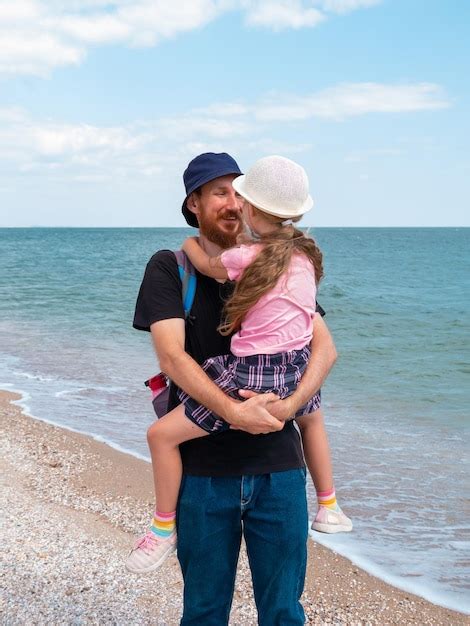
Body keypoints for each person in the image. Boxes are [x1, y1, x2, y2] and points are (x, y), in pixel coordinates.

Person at [131, 152, 341, 625]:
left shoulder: (274, 264)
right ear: (194, 203)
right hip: (204, 477)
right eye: (219, 192)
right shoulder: (171, 267)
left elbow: (324, 350)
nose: (231, 202)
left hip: (281, 471)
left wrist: (287, 407)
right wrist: (233, 411)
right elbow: (171, 357)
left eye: (237, 191)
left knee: (284, 612)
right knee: (204, 612)